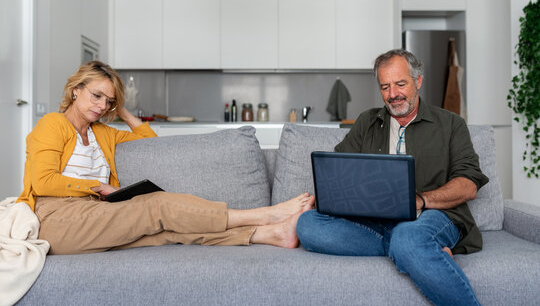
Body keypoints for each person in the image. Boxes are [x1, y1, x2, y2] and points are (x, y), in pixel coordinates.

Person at [17, 61, 314, 255]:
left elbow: (149, 142)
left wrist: (121, 110)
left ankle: (268, 235)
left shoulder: (102, 133)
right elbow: (42, 182)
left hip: (94, 215)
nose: (102, 105)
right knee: (156, 205)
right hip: (56, 218)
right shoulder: (53, 125)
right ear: (74, 91)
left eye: (108, 101)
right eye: (96, 96)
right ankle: (265, 214)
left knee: (173, 230)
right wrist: (96, 187)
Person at [296, 49, 488, 306]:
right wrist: (332, 195)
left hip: (433, 216)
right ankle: (418, 252)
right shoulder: (368, 121)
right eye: (385, 87)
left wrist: (420, 200)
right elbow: (339, 167)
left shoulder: (451, 124)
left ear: (418, 81)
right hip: (374, 221)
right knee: (308, 224)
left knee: (408, 237)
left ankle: (411, 245)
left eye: (400, 84)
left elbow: (468, 185)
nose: (392, 94)